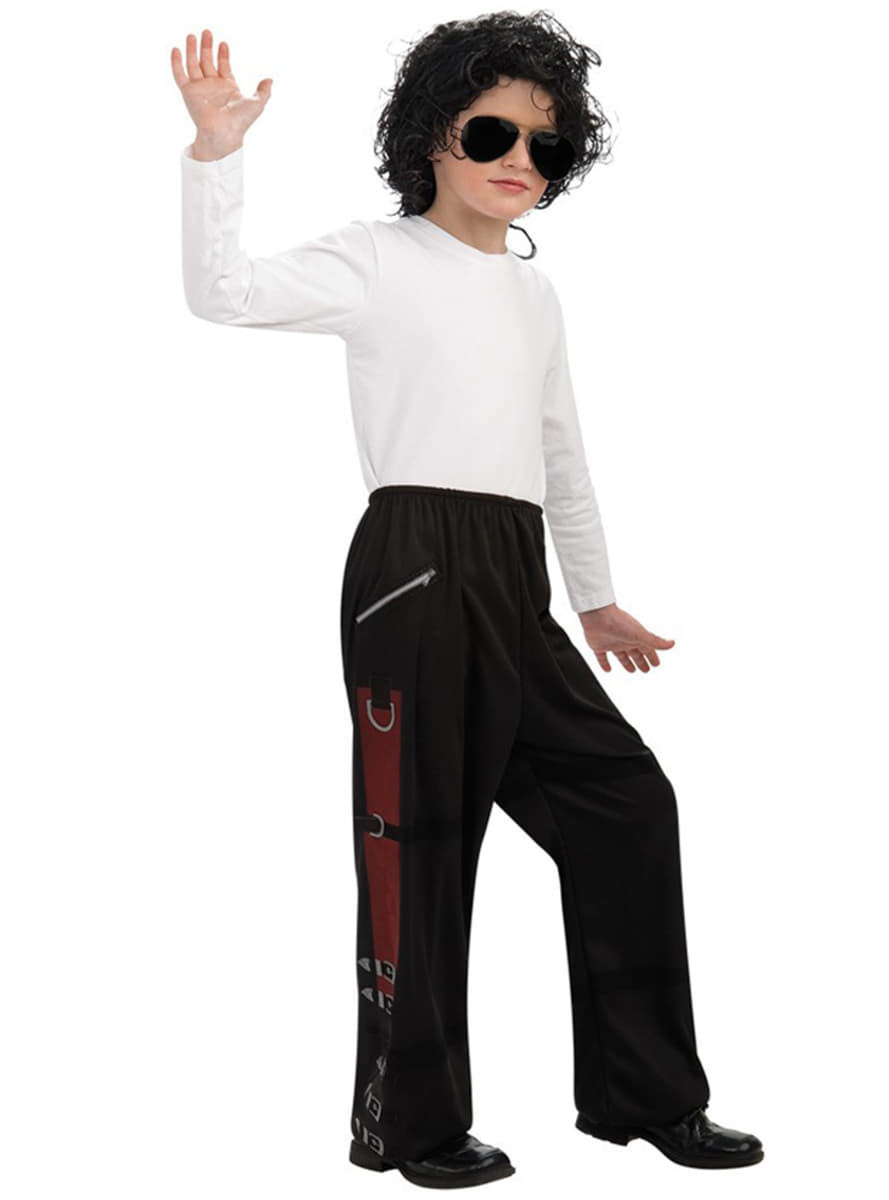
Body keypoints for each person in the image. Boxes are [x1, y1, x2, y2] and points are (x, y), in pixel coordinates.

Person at [171, 12, 764, 1188]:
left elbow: (560, 456)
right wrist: (214, 156)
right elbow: (221, 294)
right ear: (432, 134)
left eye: (546, 146)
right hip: (413, 570)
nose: (518, 160)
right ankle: (408, 1126)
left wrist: (593, 600)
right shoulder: (375, 257)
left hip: (513, 573)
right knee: (422, 848)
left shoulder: (534, 298)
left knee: (625, 806)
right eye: (492, 132)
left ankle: (646, 1096)